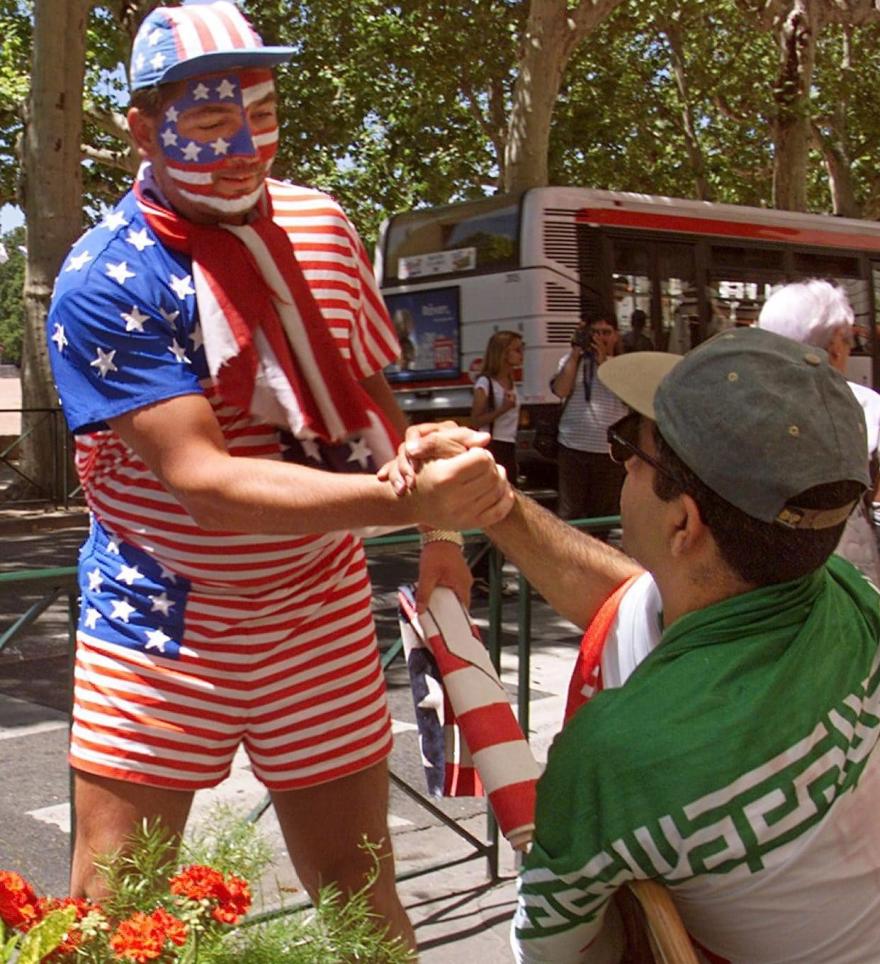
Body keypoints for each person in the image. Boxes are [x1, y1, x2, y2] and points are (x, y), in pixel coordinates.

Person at [44, 2, 512, 950]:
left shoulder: (320, 226)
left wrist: (441, 541)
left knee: (356, 877)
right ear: (141, 129)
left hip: (317, 607)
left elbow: (376, 398)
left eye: (260, 113)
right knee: (113, 909)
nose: (246, 145)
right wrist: (401, 502)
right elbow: (203, 480)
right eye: (211, 124)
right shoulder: (107, 278)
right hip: (161, 622)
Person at [386, 327, 880, 962]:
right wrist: (493, 503)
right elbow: (632, 602)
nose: (623, 461)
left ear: (683, 522)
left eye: (629, 446)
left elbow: (554, 953)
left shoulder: (618, 761)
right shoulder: (846, 598)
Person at [759, 279, 880, 657]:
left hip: (753, 621)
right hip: (843, 621)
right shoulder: (878, 417)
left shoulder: (734, 412)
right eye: (849, 340)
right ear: (834, 346)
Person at [551, 316, 628, 526]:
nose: (600, 338)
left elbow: (626, 396)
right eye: (595, 333)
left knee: (603, 515)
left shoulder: (623, 365)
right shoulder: (572, 361)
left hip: (608, 452)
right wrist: (576, 352)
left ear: (616, 336)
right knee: (569, 514)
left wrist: (604, 362)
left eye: (606, 333)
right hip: (572, 446)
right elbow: (560, 390)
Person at [470, 330, 523, 485]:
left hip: (509, 444)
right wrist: (502, 409)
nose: (521, 354)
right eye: (517, 350)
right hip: (493, 445)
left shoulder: (511, 381)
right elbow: (476, 420)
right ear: (504, 354)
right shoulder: (485, 383)